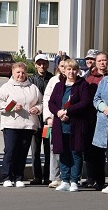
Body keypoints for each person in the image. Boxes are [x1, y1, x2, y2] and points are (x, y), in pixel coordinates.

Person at [0, 62, 42, 188]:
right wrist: (11, 107)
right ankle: (7, 177)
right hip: (11, 124)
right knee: (10, 151)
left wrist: (37, 108)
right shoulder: (6, 87)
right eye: (18, 72)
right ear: (13, 73)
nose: (21, 75)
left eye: (23, 72)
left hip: (28, 125)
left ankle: (19, 177)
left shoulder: (33, 88)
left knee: (23, 152)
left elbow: (41, 102)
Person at [49, 58, 90, 192]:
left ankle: (74, 181)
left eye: (74, 69)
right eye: (69, 69)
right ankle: (65, 180)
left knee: (76, 152)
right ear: (64, 71)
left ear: (77, 71)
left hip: (76, 125)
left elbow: (85, 102)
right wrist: (58, 112)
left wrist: (68, 111)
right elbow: (51, 103)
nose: (71, 72)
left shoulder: (82, 85)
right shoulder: (59, 86)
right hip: (61, 125)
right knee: (63, 152)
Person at [28, 53, 54, 185]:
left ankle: (48, 176)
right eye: (39, 63)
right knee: (35, 149)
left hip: (47, 121)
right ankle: (37, 176)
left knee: (48, 148)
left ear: (48, 64)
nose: (42, 66)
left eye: (44, 63)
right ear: (35, 65)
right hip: (35, 120)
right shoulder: (31, 80)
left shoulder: (52, 79)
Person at [85, 51, 107, 190]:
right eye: (99, 61)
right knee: (95, 152)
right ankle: (96, 179)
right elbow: (93, 99)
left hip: (104, 120)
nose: (102, 63)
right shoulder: (90, 79)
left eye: (104, 60)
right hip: (94, 120)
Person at [44, 57, 67, 188]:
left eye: (66, 66)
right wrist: (48, 117)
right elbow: (47, 100)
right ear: (58, 67)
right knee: (54, 148)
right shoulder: (54, 81)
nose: (64, 69)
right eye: (62, 66)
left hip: (69, 119)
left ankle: (68, 177)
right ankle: (55, 177)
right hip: (55, 119)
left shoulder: (77, 80)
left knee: (69, 149)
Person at [91, 59, 108, 195]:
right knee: (99, 155)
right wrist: (103, 108)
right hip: (103, 124)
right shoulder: (104, 82)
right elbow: (96, 99)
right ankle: (100, 181)